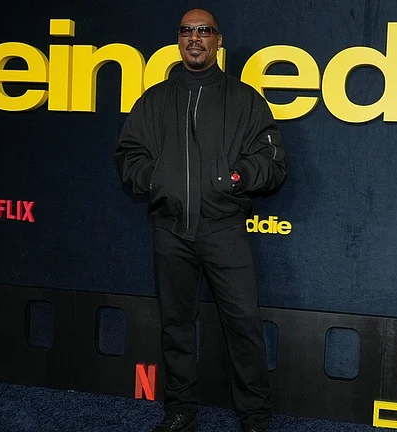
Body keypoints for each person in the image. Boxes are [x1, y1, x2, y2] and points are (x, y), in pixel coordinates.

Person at [114, 8, 286, 432]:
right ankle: (180, 410)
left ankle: (255, 416)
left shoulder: (245, 99)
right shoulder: (153, 100)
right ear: (178, 40)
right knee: (175, 326)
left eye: (204, 31)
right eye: (188, 31)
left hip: (224, 229)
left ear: (218, 41)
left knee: (244, 324)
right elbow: (128, 155)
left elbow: (273, 161)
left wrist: (237, 176)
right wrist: (159, 180)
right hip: (170, 231)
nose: (195, 38)